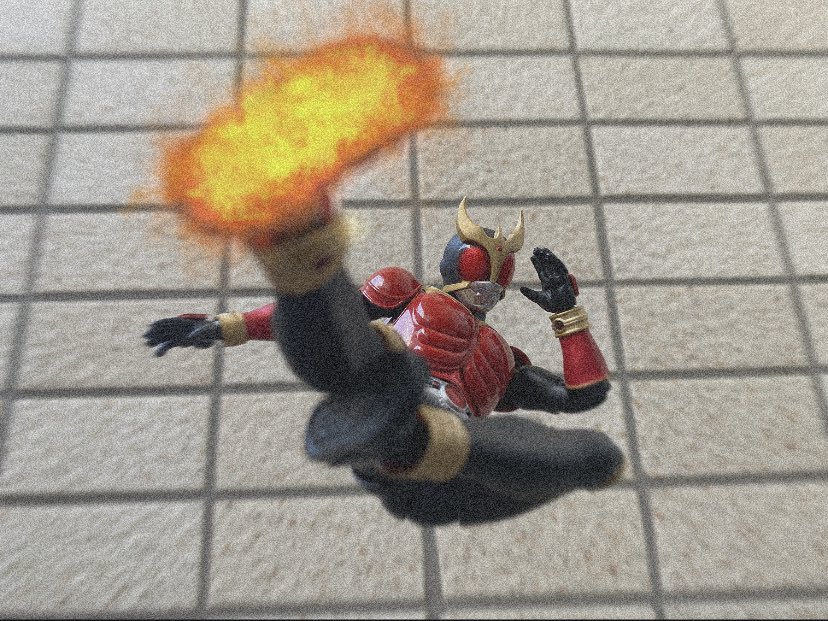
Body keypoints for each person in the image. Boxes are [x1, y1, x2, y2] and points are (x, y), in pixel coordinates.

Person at [144, 197, 624, 525]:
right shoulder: (408, 294)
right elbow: (338, 324)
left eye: (494, 278)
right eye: (481, 270)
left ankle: (410, 439)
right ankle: (298, 247)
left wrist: (567, 314)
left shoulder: (502, 358)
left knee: (600, 457)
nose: (486, 286)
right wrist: (227, 326)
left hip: (450, 469)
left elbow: (582, 396)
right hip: (393, 404)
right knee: (373, 351)